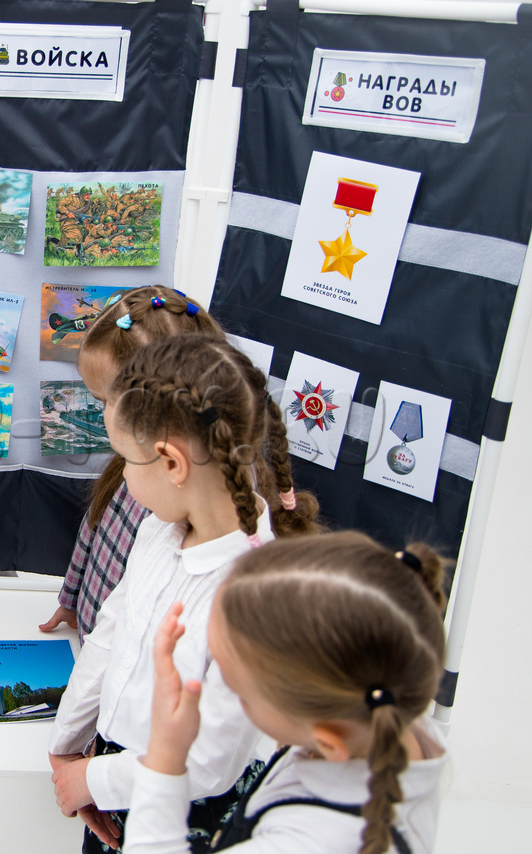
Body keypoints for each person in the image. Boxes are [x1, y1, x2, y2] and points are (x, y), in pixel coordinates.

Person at [48, 333, 321, 853]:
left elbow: (210, 762)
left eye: (126, 461)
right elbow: (110, 632)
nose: (124, 479)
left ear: (171, 463)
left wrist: (95, 780)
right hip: (115, 772)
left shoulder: (256, 601)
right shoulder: (157, 529)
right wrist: (67, 747)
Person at [130, 532, 449, 853]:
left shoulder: (308, 843)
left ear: (328, 742)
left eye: (239, 692)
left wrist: (165, 753)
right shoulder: (381, 703)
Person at [39, 287, 225, 645]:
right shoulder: (132, 467)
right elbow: (93, 528)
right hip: (90, 644)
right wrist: (70, 600)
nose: (103, 417)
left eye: (107, 402)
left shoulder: (191, 504)